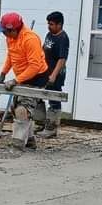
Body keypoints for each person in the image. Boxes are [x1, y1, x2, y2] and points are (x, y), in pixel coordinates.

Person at [0, 11, 48, 150]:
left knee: (22, 110)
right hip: (23, 77)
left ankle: (17, 144)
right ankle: (30, 141)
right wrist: (3, 73)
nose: (3, 34)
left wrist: (15, 80)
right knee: (17, 108)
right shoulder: (10, 38)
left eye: (5, 31)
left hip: (37, 78)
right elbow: (11, 56)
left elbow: (35, 66)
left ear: (13, 29)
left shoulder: (30, 39)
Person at [38, 11, 69, 139]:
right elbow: (43, 50)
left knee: (53, 99)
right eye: (48, 24)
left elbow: (62, 59)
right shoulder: (49, 35)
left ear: (59, 24)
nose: (48, 26)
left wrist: (54, 75)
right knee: (38, 96)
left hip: (55, 74)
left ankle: (52, 128)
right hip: (44, 72)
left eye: (51, 24)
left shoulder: (63, 38)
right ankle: (40, 124)